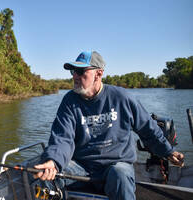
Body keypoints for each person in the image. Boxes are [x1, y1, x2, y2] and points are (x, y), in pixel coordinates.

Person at [33, 51, 184, 200]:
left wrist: (168, 152)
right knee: (46, 175)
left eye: (80, 71)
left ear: (98, 74)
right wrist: (53, 161)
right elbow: (62, 138)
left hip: (116, 165)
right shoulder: (69, 101)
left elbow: (148, 129)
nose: (74, 76)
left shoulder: (122, 97)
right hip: (82, 167)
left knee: (121, 175)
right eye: (73, 71)